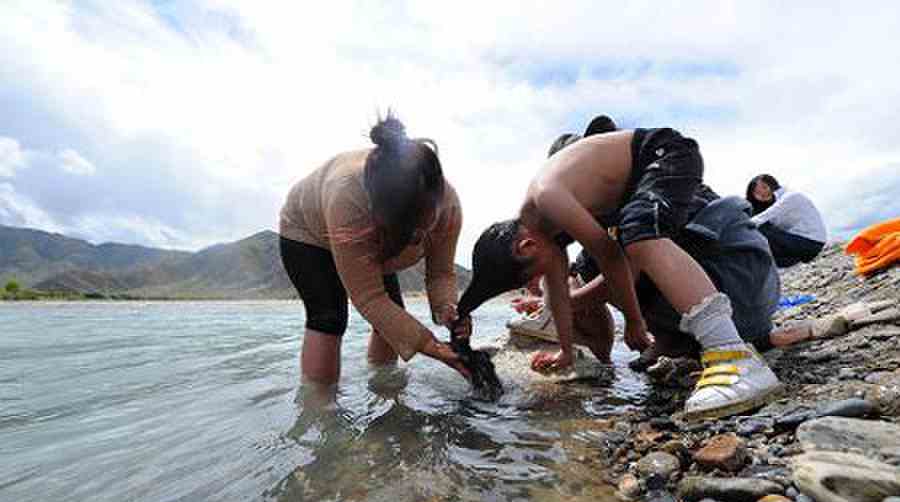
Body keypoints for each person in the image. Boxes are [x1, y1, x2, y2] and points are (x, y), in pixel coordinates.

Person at [458, 126, 781, 421]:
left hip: (663, 153)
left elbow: (612, 257)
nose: (544, 278)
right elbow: (558, 291)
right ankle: (689, 342)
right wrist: (566, 353)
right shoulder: (544, 236)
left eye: (534, 273)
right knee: (633, 234)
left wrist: (634, 322)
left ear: (527, 247)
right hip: (639, 183)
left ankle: (731, 353)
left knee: (640, 234)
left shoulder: (548, 196)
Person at [279, 113, 469, 384]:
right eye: (411, 230)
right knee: (329, 318)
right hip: (307, 232)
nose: (419, 239)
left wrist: (447, 309)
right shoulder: (347, 195)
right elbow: (369, 298)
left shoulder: (448, 207)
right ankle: (320, 412)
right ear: (382, 216)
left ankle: (383, 384)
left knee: (393, 315)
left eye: (426, 226)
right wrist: (434, 348)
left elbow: (441, 273)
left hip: (370, 227)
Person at [746, 174, 827, 267]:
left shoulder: (790, 196)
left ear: (773, 184)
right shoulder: (772, 203)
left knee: (759, 229)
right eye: (757, 193)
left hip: (811, 243)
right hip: (801, 243)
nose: (762, 193)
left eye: (764, 187)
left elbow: (761, 219)